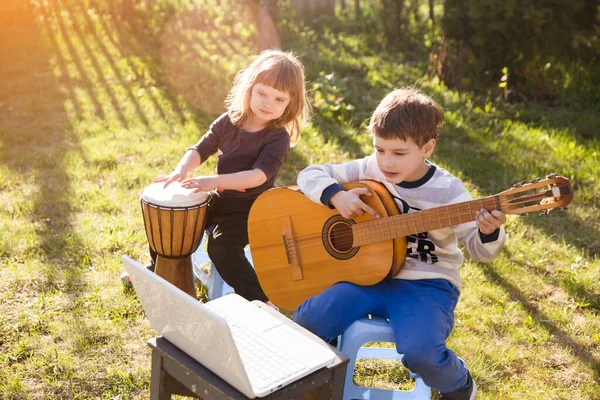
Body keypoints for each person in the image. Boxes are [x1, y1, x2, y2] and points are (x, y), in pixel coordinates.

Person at [293, 87, 507, 399]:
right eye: (380, 150)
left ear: (427, 147)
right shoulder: (370, 168)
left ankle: (458, 383)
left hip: (426, 283)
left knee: (421, 351)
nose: (386, 162)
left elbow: (477, 249)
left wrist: (488, 232)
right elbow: (310, 174)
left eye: (399, 153)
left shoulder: (448, 192)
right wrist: (336, 195)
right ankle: (322, 377)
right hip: (366, 275)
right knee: (308, 318)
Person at [122, 49, 310, 307]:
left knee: (221, 248)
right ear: (250, 88)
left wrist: (213, 182)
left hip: (253, 208)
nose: (268, 104)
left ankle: (262, 299)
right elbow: (201, 148)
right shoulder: (230, 120)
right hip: (222, 199)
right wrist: (181, 170)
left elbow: (257, 176)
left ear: (291, 103)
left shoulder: (277, 137)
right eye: (262, 93)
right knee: (174, 213)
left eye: (279, 99)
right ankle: (159, 266)